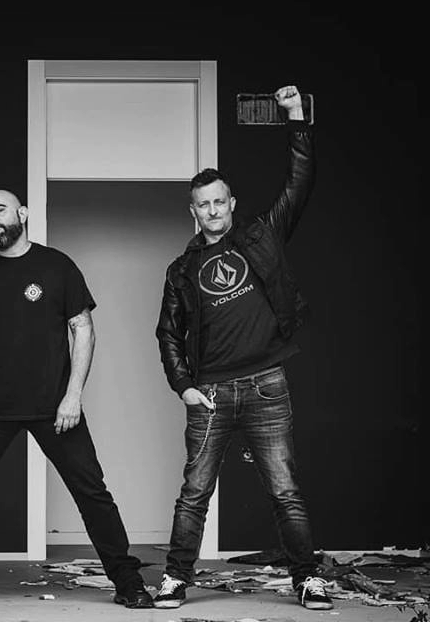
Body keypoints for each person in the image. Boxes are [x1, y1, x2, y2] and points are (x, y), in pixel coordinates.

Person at [0, 189, 152, 610]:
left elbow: (83, 329)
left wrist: (73, 395)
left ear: (23, 213)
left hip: (55, 408)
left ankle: (128, 582)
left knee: (92, 492)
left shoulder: (58, 266)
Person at [153, 86, 332, 611]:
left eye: (219, 201)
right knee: (194, 494)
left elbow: (300, 183)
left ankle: (308, 579)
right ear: (193, 211)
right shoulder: (181, 269)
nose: (212, 210)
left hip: (266, 384)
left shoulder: (263, 236)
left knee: (284, 490)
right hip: (210, 394)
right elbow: (167, 333)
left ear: (231, 204)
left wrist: (296, 118)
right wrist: (184, 387)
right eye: (203, 204)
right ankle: (175, 579)